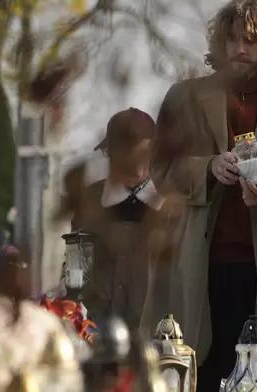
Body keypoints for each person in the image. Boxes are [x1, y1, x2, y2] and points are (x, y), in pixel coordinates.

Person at [143, 0, 257, 390]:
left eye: (252, 41)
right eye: (232, 39)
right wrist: (208, 168)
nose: (239, 49)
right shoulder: (184, 98)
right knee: (194, 372)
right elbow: (160, 170)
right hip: (195, 268)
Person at [69, 108, 166, 330]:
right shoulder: (90, 201)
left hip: (158, 332)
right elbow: (75, 272)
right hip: (100, 329)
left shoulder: (170, 203)